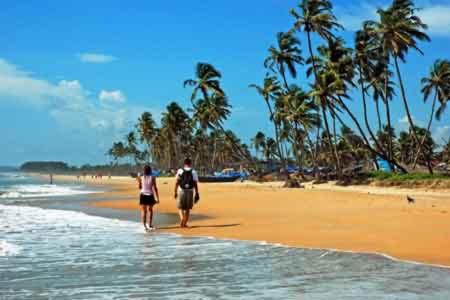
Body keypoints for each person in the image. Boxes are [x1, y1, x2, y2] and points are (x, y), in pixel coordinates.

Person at [174, 158, 200, 228]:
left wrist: (175, 191)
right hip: (190, 191)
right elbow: (195, 183)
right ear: (190, 163)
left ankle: (182, 218)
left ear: (184, 164)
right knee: (187, 208)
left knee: (180, 207)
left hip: (181, 190)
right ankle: (185, 223)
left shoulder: (180, 170)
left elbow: (177, 182)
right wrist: (197, 193)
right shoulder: (193, 171)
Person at [137, 165, 159, 231]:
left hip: (143, 194)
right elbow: (155, 188)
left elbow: (140, 187)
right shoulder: (153, 177)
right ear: (150, 171)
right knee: (150, 210)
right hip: (150, 195)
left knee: (144, 211)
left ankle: (144, 226)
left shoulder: (141, 177)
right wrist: (157, 198)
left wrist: (139, 182)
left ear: (144, 171)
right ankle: (150, 224)